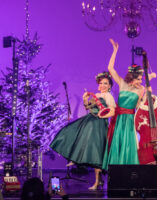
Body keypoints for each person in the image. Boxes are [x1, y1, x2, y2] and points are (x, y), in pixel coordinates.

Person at [50, 71, 116, 190]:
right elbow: (87, 108)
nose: (103, 85)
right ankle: (75, 158)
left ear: (110, 85)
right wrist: (85, 99)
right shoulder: (96, 94)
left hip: (99, 123)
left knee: (97, 152)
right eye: (101, 83)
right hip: (90, 120)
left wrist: (102, 115)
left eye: (105, 83)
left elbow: (112, 111)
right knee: (72, 130)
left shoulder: (108, 96)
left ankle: (96, 182)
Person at [102, 38, 145, 169]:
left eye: (141, 79)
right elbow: (110, 68)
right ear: (131, 77)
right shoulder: (122, 83)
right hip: (119, 119)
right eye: (138, 79)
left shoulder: (141, 89)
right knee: (118, 143)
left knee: (128, 144)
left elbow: (137, 106)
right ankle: (116, 171)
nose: (140, 81)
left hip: (129, 119)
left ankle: (129, 172)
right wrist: (115, 51)